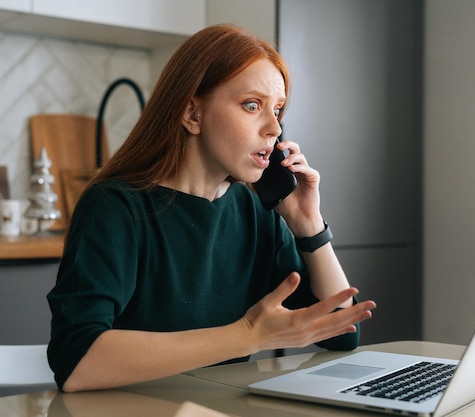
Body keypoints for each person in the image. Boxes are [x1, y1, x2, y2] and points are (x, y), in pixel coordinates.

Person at [47, 23, 376, 392]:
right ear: (192, 114)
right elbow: (77, 363)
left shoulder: (257, 212)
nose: (274, 127)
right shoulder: (114, 207)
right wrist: (247, 336)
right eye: (252, 105)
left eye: (278, 110)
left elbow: (342, 332)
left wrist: (308, 224)